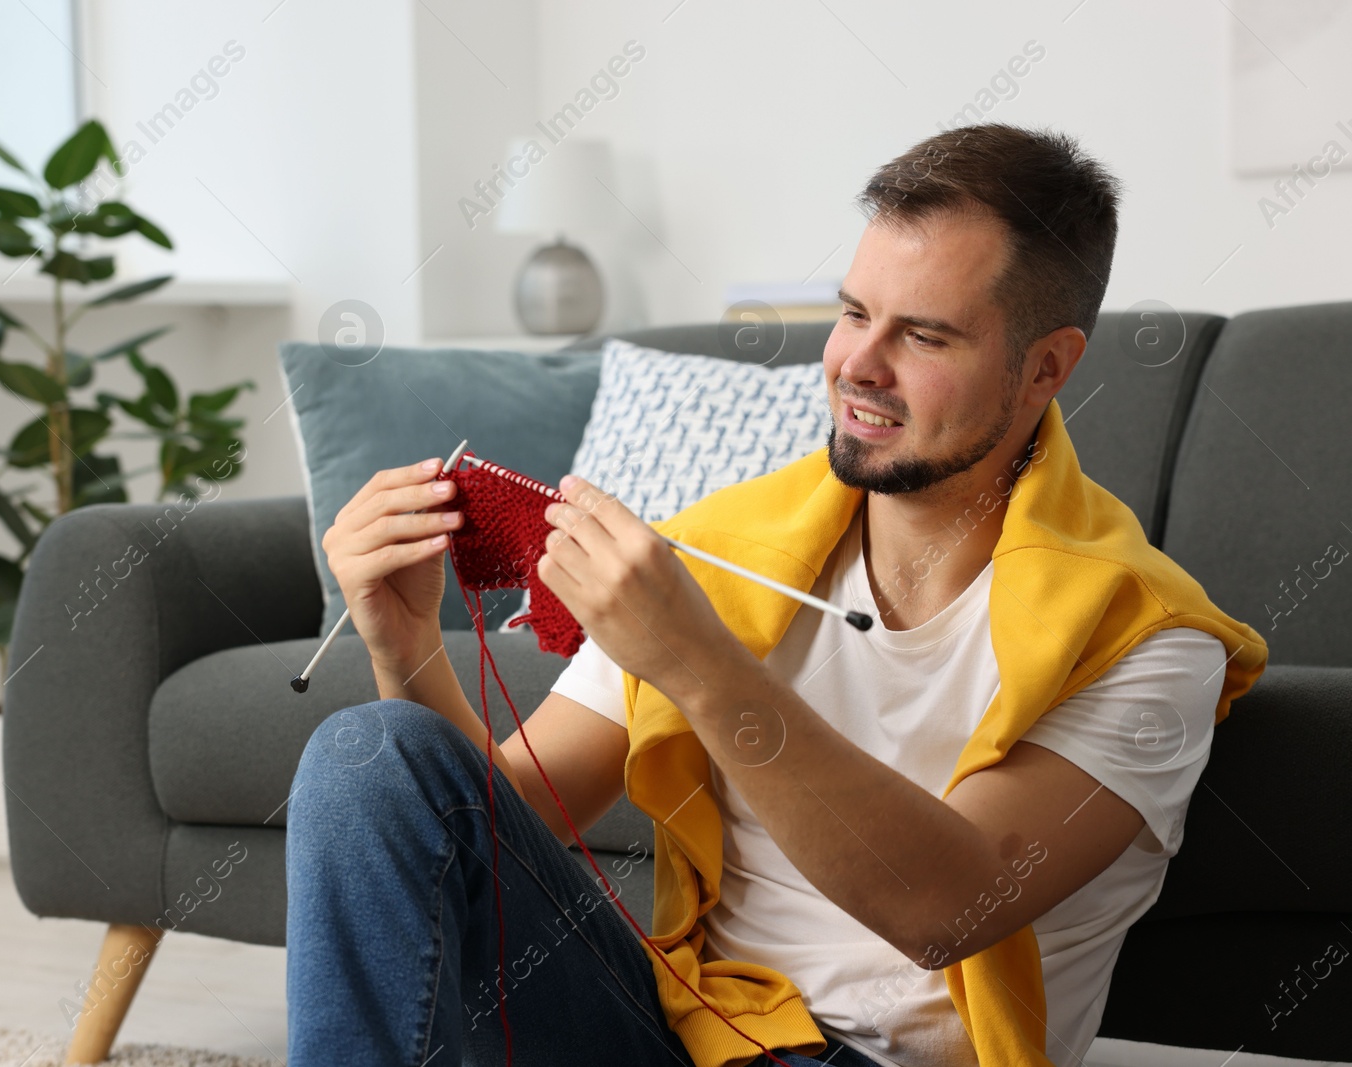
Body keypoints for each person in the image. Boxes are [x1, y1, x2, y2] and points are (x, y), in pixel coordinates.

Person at [284, 123, 1267, 1067]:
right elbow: (504, 827)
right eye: (851, 314)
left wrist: (693, 659)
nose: (856, 366)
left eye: (922, 335)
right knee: (372, 751)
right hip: (680, 1030)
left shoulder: (1145, 636)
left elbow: (946, 908)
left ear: (1044, 367)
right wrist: (405, 637)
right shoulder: (722, 546)